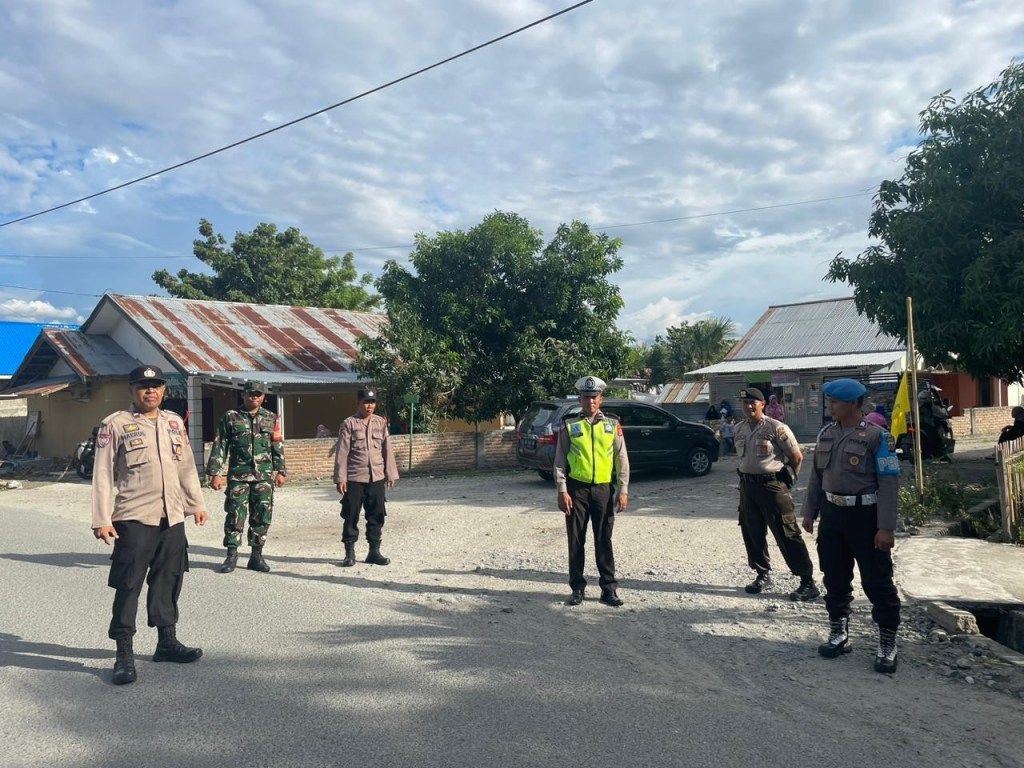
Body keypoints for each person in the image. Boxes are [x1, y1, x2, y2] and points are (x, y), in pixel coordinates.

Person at [92, 365, 208, 686]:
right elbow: (102, 473)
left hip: (172, 515)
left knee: (169, 578)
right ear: (132, 390)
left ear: (164, 390)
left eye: (156, 386)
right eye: (144, 386)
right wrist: (101, 518)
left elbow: (186, 467)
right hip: (134, 517)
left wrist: (196, 504)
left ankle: (166, 642)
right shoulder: (115, 424)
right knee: (129, 583)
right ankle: (124, 654)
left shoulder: (174, 422)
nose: (150, 391)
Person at [801, 378, 901, 674]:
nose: (830, 406)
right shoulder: (826, 434)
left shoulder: (877, 437)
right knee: (834, 576)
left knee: (877, 581)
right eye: (829, 401)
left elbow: (889, 483)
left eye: (835, 402)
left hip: (865, 517)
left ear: (854, 403)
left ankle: (887, 642)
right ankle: (839, 633)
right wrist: (810, 512)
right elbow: (816, 477)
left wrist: (886, 527)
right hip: (832, 514)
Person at [733, 387, 820, 601]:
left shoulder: (776, 427)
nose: (748, 406)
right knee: (752, 531)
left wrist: (787, 482)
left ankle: (807, 581)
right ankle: (762, 574)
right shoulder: (739, 429)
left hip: (772, 486)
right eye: (745, 402)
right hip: (747, 486)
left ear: (762, 404)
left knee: (787, 532)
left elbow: (797, 457)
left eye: (753, 402)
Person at [553, 375, 630, 607]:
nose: (590, 401)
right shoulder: (570, 424)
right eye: (586, 397)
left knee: (604, 539)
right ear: (580, 399)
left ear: (601, 399)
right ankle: (577, 588)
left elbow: (621, 458)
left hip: (603, 490)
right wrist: (562, 490)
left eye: (594, 397)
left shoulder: (612, 424)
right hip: (576, 489)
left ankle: (608, 589)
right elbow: (559, 460)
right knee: (576, 540)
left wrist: (623, 489)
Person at [207, 380, 287, 574]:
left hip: (263, 476)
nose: (254, 397)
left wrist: (281, 471)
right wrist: (215, 473)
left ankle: (256, 556)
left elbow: (277, 445)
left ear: (263, 397)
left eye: (258, 394)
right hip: (239, 476)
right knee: (235, 514)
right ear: (243, 395)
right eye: (250, 393)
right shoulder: (231, 417)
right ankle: (231, 554)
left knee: (262, 514)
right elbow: (220, 444)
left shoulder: (271, 418)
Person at [334, 389, 399, 566]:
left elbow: (387, 449)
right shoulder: (349, 424)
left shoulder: (380, 422)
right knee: (351, 515)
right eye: (366, 402)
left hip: (376, 478)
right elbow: (342, 453)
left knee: (377, 514)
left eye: (372, 402)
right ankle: (349, 553)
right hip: (355, 478)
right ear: (359, 403)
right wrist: (341, 478)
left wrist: (390, 473)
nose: (369, 406)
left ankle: (374, 552)